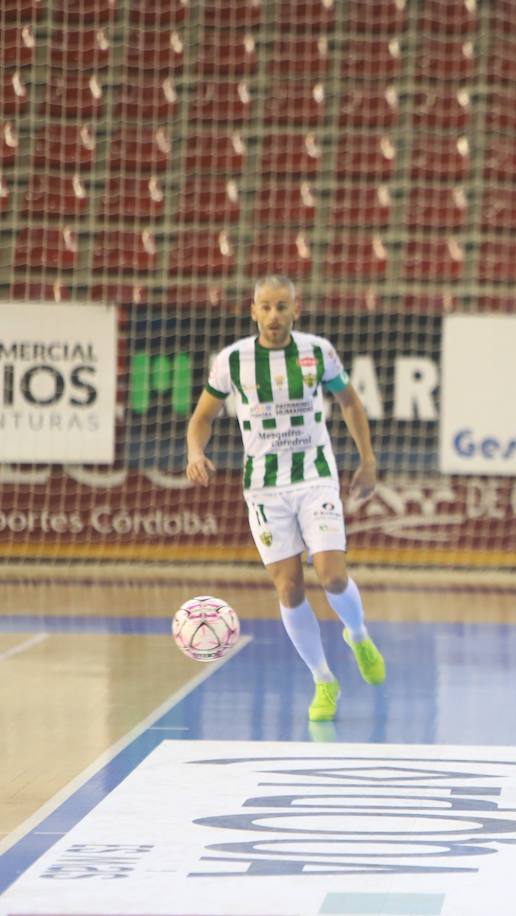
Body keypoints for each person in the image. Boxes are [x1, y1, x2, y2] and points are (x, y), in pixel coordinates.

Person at [186, 275, 385, 723]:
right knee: (289, 586)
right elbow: (202, 417)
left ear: (296, 309)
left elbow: (350, 403)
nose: (274, 315)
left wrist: (367, 459)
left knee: (332, 576)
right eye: (266, 307)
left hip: (315, 476)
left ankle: (357, 634)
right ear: (252, 310)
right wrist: (194, 451)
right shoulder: (232, 361)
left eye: (282, 307)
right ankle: (323, 679)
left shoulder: (319, 352)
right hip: (264, 488)